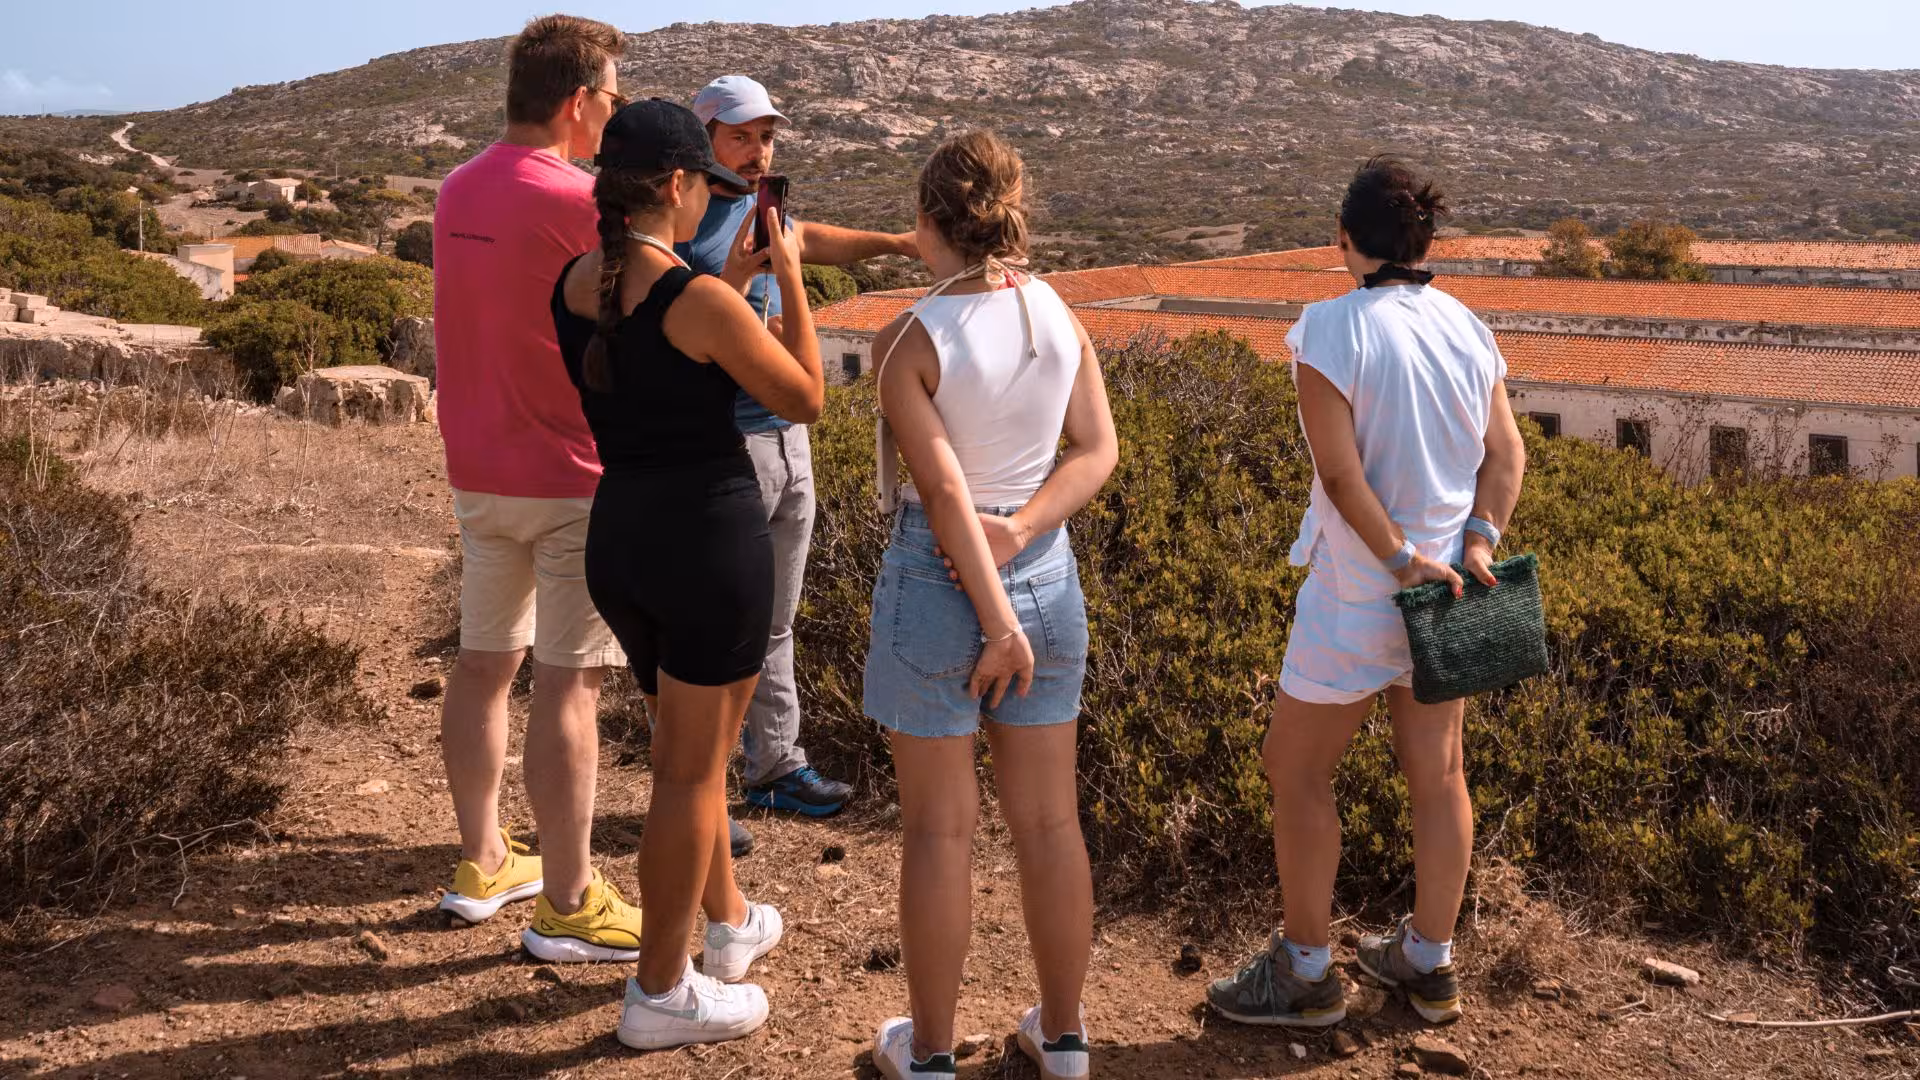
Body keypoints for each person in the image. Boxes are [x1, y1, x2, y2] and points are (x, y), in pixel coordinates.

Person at [1206, 158, 1527, 1029]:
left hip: (1358, 596)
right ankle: (1428, 963)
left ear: (1342, 241)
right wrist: (1476, 540)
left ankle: (1306, 971)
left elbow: (1341, 478)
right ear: (1425, 241)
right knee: (1441, 775)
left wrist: (1395, 559)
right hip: (1453, 593)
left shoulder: (1329, 327)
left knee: (1297, 769)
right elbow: (1506, 457)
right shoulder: (1468, 327)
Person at [552, 98, 824, 1050]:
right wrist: (784, 274)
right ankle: (661, 992)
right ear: (677, 185)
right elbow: (805, 394)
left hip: (619, 538)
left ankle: (729, 923)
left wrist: (723, 273)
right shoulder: (699, 301)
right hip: (705, 544)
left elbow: (651, 345)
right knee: (688, 773)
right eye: (708, 184)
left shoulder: (576, 282)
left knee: (689, 757)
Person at [863, 130, 1118, 1080]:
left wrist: (992, 615)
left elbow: (938, 497)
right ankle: (1062, 1039)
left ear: (930, 222)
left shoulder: (907, 340)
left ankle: (929, 1055)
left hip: (938, 588)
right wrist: (1022, 533)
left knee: (939, 832)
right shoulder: (1062, 315)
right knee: (1052, 825)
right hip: (1047, 575)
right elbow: (1096, 452)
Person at [431, 13, 644, 963]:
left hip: (479, 467)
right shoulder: (586, 205)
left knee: (485, 664)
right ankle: (568, 899)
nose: (614, 114)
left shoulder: (454, 191)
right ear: (574, 104)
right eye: (610, 98)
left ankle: (483, 862)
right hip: (572, 474)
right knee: (568, 684)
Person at [677, 75, 920, 840]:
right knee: (721, 622)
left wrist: (897, 245)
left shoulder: (764, 204)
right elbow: (680, 321)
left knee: (775, 618)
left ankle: (775, 768)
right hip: (728, 443)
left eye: (767, 137)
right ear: (705, 137)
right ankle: (700, 789)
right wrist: (742, 275)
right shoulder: (683, 219)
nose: (758, 151)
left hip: (788, 436)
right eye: (742, 136)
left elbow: (812, 242)